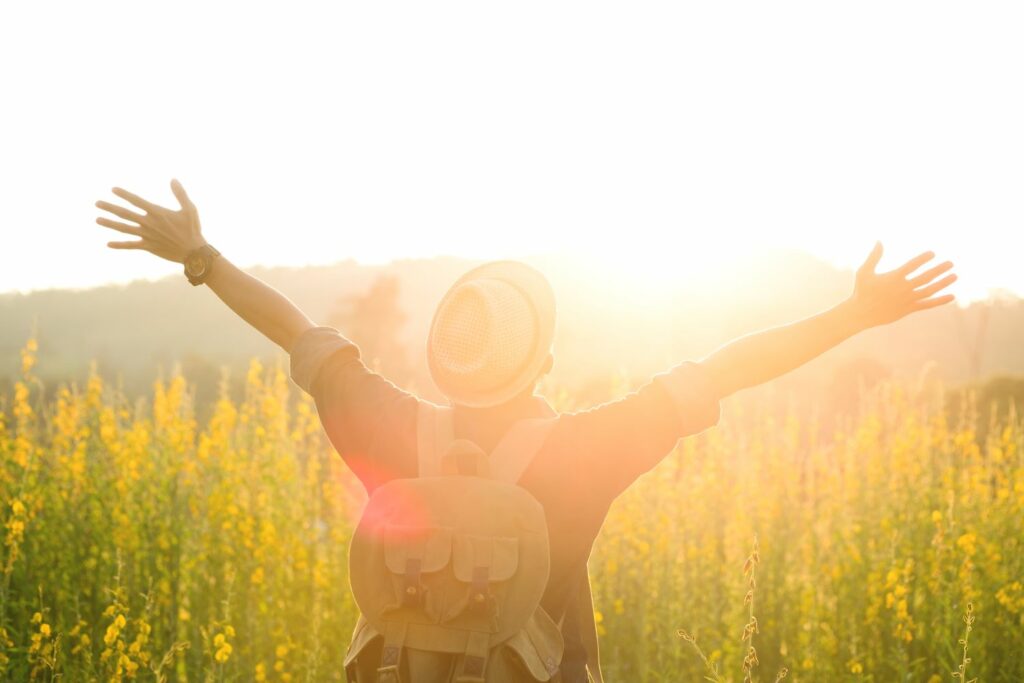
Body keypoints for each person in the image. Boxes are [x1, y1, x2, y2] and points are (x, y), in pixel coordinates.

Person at [96, 180, 957, 682]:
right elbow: (729, 365)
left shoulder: (386, 428)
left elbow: (293, 327)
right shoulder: (584, 453)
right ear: (540, 361)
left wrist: (201, 259)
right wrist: (853, 314)